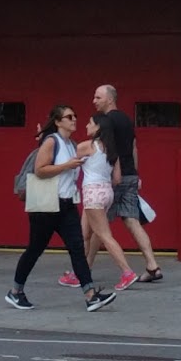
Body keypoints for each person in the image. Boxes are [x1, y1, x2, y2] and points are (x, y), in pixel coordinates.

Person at [5, 105, 116, 312]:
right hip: (46, 204)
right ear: (58, 122)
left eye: (75, 116)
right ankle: (16, 291)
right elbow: (40, 170)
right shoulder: (52, 142)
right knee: (35, 249)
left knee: (77, 249)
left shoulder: (72, 144)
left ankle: (91, 295)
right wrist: (67, 166)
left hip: (66, 204)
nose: (74, 119)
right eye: (69, 117)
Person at [87, 84, 161, 282]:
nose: (94, 101)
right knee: (132, 220)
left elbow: (107, 148)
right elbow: (134, 146)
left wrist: (110, 174)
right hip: (130, 176)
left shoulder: (106, 121)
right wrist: (135, 173)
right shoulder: (127, 119)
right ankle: (152, 265)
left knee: (98, 226)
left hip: (113, 177)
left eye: (98, 97)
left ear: (110, 99)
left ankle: (84, 270)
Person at [67, 111, 138, 291]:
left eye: (90, 123)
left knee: (105, 235)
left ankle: (127, 272)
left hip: (92, 193)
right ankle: (78, 273)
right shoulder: (112, 149)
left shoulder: (87, 146)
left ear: (98, 127)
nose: (86, 126)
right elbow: (117, 178)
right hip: (106, 192)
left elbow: (66, 162)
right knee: (83, 234)